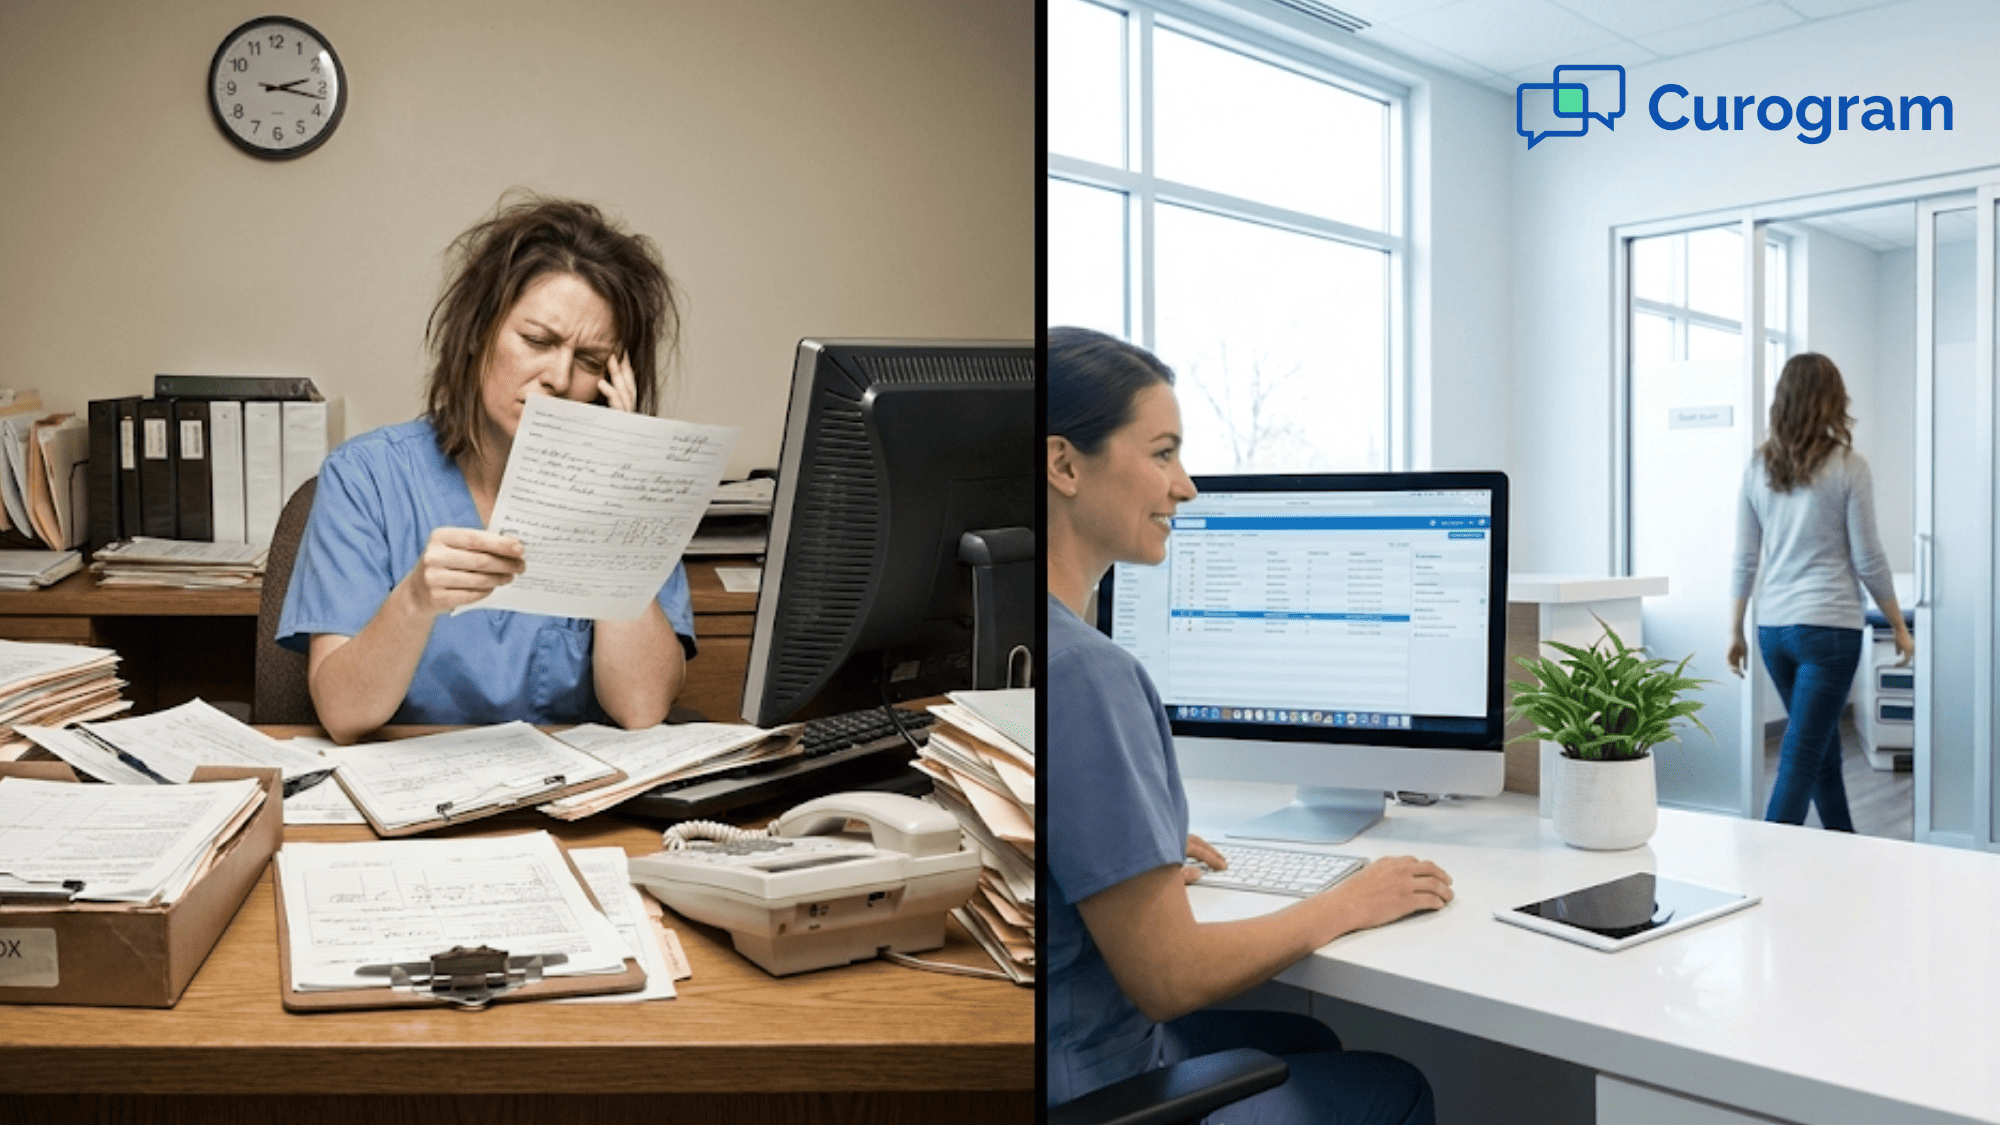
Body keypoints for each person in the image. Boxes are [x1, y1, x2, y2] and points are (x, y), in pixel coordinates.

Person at [1047, 326, 1448, 1124]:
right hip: (1088, 1083)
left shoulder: (1028, 644)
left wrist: (1133, 850)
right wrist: (1353, 899)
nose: (1186, 486)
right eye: (1162, 453)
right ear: (1063, 464)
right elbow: (1170, 977)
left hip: (1072, 1048)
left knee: (1313, 1040)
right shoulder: (1088, 671)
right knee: (1392, 1084)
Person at [277, 194, 696, 743]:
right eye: (537, 341)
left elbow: (641, 708)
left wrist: (608, 496)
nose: (559, 376)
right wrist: (415, 601)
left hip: (571, 807)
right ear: (478, 332)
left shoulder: (631, 493)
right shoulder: (366, 476)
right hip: (412, 797)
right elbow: (342, 712)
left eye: (590, 361)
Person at [1728, 352, 1914, 830]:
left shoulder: (1757, 467)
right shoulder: (1850, 466)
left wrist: (1735, 628)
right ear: (1833, 401)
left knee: (1820, 751)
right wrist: (1898, 624)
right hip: (1829, 631)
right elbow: (1868, 558)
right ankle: (1760, 869)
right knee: (1802, 757)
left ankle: (1845, 844)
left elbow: (1746, 558)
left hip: (1773, 631)